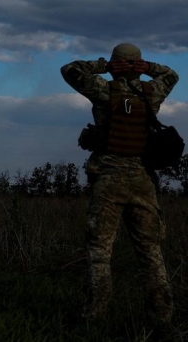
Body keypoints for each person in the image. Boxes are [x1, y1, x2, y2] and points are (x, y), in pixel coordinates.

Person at [61, 43, 178, 327]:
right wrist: (149, 68)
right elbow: (172, 75)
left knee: (99, 252)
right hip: (142, 181)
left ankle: (93, 317)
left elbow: (70, 70)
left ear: (116, 65)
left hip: (109, 179)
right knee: (150, 252)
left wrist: (104, 66)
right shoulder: (153, 93)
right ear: (137, 64)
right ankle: (162, 319)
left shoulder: (103, 90)